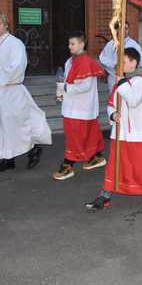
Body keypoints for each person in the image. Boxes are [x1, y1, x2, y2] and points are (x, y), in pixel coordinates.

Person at [85, 47, 142, 210]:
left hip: (140, 134)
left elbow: (133, 99)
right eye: (119, 62)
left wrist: (121, 81)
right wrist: (112, 114)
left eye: (123, 62)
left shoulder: (141, 80)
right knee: (115, 166)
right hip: (122, 133)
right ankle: (105, 196)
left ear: (134, 62)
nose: (120, 65)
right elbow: (112, 103)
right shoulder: (122, 82)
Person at [0, 13, 51, 172]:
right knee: (1, 126)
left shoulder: (15, 44)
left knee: (16, 125)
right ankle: (8, 159)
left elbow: (17, 67)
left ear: (6, 25)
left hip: (11, 91)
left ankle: (33, 150)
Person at [53, 31, 107, 181]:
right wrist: (62, 90)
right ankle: (95, 157)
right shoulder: (69, 61)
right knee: (86, 135)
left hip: (81, 107)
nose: (69, 46)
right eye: (69, 43)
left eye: (73, 43)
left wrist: (66, 88)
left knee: (75, 137)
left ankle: (67, 165)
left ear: (82, 44)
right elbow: (67, 80)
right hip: (72, 105)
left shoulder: (86, 62)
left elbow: (86, 86)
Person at [99, 22, 142, 89]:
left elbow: (140, 61)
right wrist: (114, 65)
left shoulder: (134, 45)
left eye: (126, 28)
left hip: (129, 78)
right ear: (117, 30)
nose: (124, 31)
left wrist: (128, 68)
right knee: (113, 98)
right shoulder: (110, 44)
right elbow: (102, 58)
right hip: (113, 77)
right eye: (121, 28)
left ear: (128, 30)